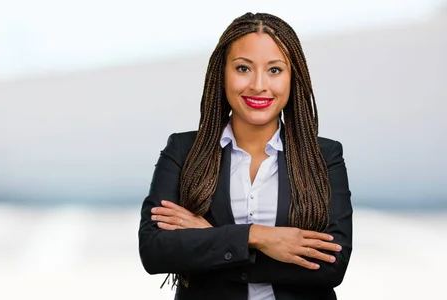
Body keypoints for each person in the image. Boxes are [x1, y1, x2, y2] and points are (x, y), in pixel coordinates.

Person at [137, 12, 353, 300]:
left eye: (274, 70)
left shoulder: (324, 156)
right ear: (222, 73)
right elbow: (155, 251)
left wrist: (213, 239)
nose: (258, 85)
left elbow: (330, 266)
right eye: (243, 68)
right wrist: (258, 237)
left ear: (292, 78)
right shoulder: (183, 150)